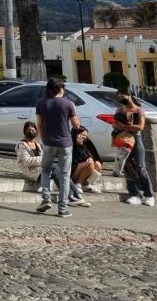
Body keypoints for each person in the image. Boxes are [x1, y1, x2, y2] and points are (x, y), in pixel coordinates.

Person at [34, 77, 80, 218]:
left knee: (46, 171)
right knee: (65, 176)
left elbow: (39, 125)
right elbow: (76, 125)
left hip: (48, 143)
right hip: (65, 144)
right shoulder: (68, 104)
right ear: (60, 89)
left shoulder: (41, 103)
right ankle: (63, 208)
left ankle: (46, 199)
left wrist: (44, 138)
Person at [115, 88, 156, 207]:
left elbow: (140, 127)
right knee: (127, 167)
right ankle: (134, 194)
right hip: (124, 139)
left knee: (140, 167)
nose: (121, 99)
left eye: (122, 96)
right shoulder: (119, 109)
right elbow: (114, 124)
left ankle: (149, 195)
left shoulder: (139, 110)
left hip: (136, 140)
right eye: (119, 97)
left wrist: (123, 126)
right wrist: (124, 127)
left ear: (129, 95)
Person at [68, 125, 101, 207]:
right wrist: (79, 146)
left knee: (97, 164)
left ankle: (86, 184)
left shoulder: (84, 144)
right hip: (72, 171)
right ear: (76, 134)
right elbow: (74, 160)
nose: (84, 138)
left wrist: (89, 157)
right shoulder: (70, 144)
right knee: (89, 164)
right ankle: (78, 183)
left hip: (82, 168)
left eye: (86, 136)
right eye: (83, 135)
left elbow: (90, 155)